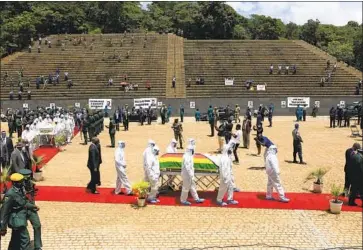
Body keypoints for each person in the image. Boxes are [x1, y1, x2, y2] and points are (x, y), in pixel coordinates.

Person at [0, 173, 39, 250]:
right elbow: (4, 211)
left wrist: (32, 206)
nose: (22, 183)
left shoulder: (19, 190)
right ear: (14, 183)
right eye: (19, 182)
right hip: (17, 221)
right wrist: (3, 227)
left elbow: (23, 202)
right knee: (25, 240)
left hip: (21, 218)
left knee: (15, 241)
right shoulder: (10, 194)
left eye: (22, 181)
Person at [19, 168, 42, 250]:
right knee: (22, 229)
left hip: (31, 209)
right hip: (21, 210)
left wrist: (33, 205)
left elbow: (32, 196)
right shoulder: (17, 188)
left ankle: (37, 246)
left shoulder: (31, 184)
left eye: (29, 178)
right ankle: (24, 246)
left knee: (37, 225)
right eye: (26, 178)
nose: (28, 180)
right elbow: (22, 201)